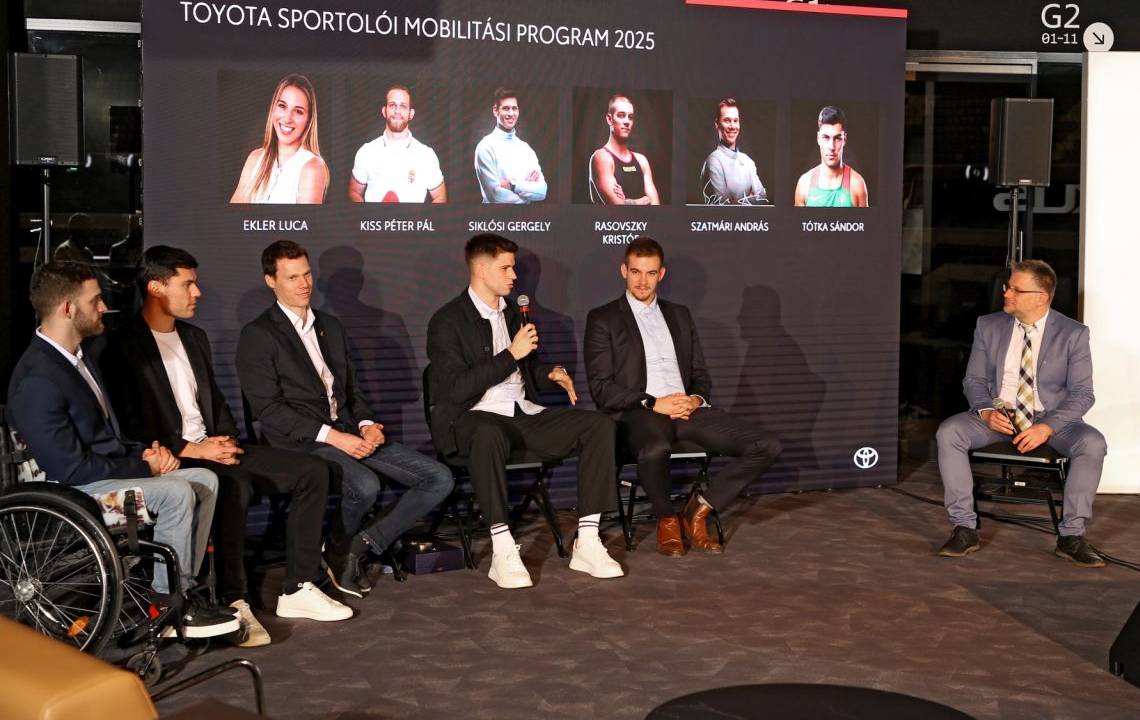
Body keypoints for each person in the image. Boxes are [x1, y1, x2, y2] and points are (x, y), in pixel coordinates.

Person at [101, 246, 350, 646]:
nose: (197, 292)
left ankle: (298, 588)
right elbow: (132, 425)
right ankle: (236, 600)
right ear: (156, 288)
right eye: (187, 284)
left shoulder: (194, 337)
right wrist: (194, 450)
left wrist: (227, 439)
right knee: (235, 486)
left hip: (213, 447)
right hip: (174, 459)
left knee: (313, 471)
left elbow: (216, 403)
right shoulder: (121, 346)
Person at [6, 262, 239, 638]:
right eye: (95, 301)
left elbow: (106, 436)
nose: (104, 308)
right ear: (68, 308)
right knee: (177, 492)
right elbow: (70, 468)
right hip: (69, 492)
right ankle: (166, 606)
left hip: (101, 471)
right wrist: (145, 467)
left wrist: (148, 453)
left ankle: (182, 591)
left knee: (204, 480)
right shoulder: (39, 378)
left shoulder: (79, 358)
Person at [236, 240, 453, 597]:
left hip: (349, 432)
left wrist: (367, 424)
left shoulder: (331, 326)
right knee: (365, 485)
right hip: (301, 444)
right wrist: (334, 437)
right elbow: (270, 411)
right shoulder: (258, 335)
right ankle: (341, 549)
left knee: (438, 478)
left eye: (307, 274)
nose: (304, 284)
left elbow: (351, 390)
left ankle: (352, 547)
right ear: (270, 281)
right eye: (292, 277)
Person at [426, 234, 623, 588]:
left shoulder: (513, 313)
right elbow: (456, 389)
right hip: (470, 418)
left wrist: (549, 374)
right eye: (506, 268)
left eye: (513, 267)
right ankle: (502, 549)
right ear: (481, 270)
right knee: (487, 431)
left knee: (598, 425)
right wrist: (510, 355)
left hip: (520, 414)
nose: (514, 275)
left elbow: (525, 371)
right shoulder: (447, 321)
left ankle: (588, 540)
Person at [584, 237, 782, 556]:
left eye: (650, 273)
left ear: (661, 274)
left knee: (766, 445)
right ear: (624, 271)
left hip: (686, 410)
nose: (642, 281)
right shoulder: (603, 318)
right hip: (640, 412)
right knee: (654, 449)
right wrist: (652, 402)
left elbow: (700, 374)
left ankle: (697, 510)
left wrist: (695, 399)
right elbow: (601, 388)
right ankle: (667, 518)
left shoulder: (679, 314)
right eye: (636, 272)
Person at [934, 259, 1108, 567]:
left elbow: (1083, 394)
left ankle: (1071, 536)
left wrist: (1048, 427)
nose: (1006, 293)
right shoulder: (988, 325)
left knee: (1093, 443)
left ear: (1041, 297)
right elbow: (974, 380)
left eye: (1016, 289)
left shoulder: (1073, 333)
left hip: (1050, 421)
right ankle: (964, 527)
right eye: (1008, 287)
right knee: (949, 432)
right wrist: (986, 411)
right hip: (1000, 417)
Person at [230, 74, 329, 204]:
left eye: (298, 111)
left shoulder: (312, 168)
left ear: (309, 120)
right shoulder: (255, 159)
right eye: (282, 106)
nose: (287, 119)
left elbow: (306, 218)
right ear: (273, 108)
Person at [348, 85, 447, 203]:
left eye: (403, 106)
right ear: (384, 111)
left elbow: (440, 196)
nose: (397, 111)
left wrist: (422, 216)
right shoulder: (366, 152)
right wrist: (367, 214)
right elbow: (354, 192)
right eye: (392, 105)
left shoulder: (426, 155)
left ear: (411, 114)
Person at [475, 87, 547, 204]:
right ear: (495, 110)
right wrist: (527, 193)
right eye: (506, 108)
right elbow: (496, 197)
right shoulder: (485, 146)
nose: (511, 113)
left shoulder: (526, 149)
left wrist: (513, 185)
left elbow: (542, 192)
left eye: (514, 108)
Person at [589, 95, 660, 205]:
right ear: (609, 119)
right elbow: (617, 208)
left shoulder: (641, 160)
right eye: (621, 116)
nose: (627, 121)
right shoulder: (601, 158)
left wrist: (626, 202)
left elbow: (656, 206)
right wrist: (637, 202)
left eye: (630, 117)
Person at [793, 105, 868, 208]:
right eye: (826, 137)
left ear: (844, 140)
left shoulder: (857, 184)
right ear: (818, 138)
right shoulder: (804, 184)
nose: (831, 147)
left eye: (837, 138)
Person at [699, 99, 768, 205]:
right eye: (727, 120)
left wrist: (735, 201)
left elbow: (764, 200)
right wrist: (750, 199)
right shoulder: (713, 161)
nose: (732, 126)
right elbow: (724, 207)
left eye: (735, 121)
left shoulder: (748, 162)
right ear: (717, 124)